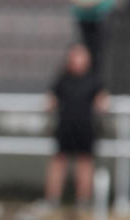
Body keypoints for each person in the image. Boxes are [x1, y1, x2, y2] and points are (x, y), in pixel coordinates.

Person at [43, 42, 109, 210]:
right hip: (65, 127)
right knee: (59, 163)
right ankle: (52, 200)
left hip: (85, 128)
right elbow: (51, 99)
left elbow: (103, 100)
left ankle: (83, 202)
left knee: (84, 163)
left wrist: (102, 105)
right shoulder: (62, 79)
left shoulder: (94, 80)